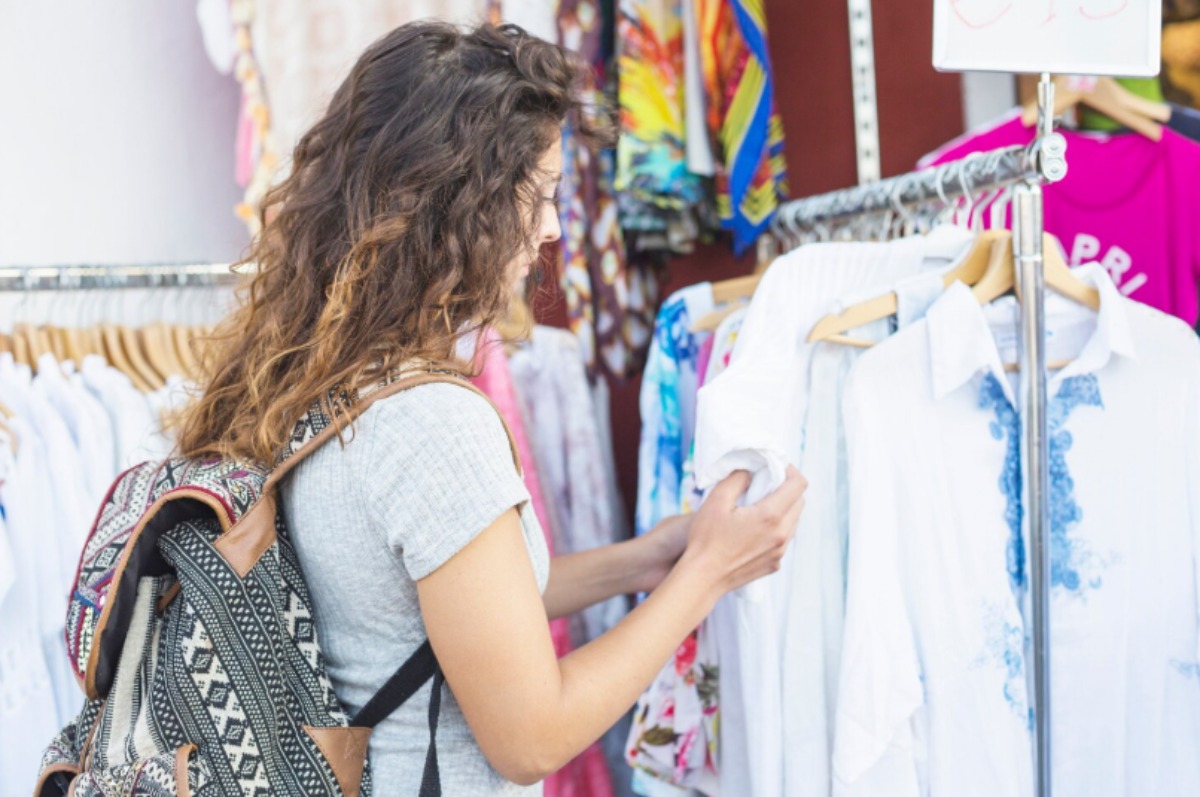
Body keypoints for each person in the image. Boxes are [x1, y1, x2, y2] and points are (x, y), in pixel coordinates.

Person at [173, 19, 807, 796]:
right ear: (460, 203)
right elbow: (531, 736)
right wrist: (708, 571)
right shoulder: (430, 423)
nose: (551, 229)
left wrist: (647, 559)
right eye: (538, 197)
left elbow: (443, 604)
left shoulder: (320, 380)